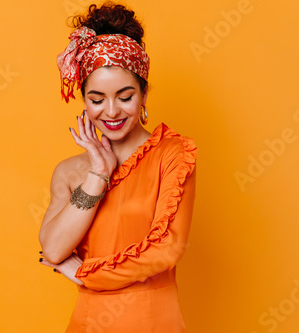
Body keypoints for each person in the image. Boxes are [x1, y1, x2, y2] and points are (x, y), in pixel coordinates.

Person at [39, 2, 197, 332]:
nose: (111, 112)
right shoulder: (70, 171)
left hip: (154, 322)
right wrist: (98, 174)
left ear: (144, 93)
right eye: (97, 99)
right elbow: (53, 248)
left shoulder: (173, 154)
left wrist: (87, 275)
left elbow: (167, 248)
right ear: (84, 99)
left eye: (124, 96)